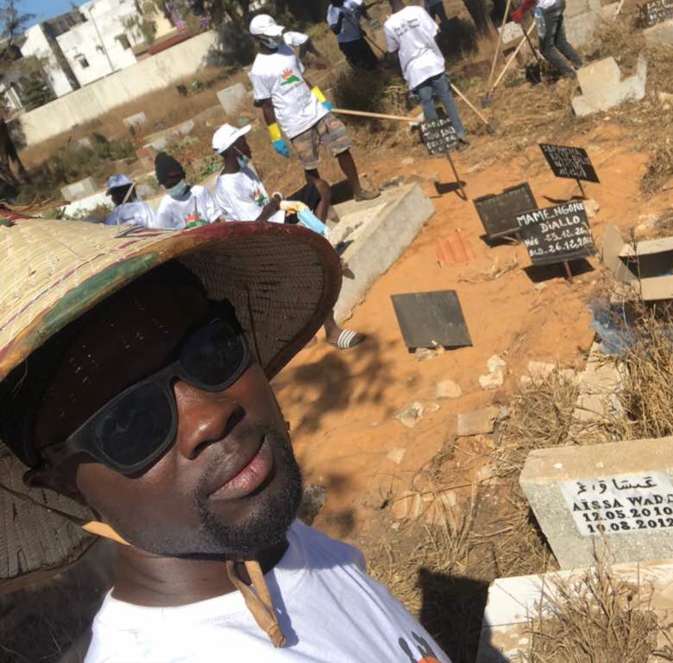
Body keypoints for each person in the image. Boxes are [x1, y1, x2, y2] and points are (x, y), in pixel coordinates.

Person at [0, 213, 450, 661]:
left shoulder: (275, 545)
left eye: (211, 350)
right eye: (127, 421)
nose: (208, 419)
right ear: (59, 482)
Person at [211, 123, 366, 350]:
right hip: (262, 236)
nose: (247, 144)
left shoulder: (246, 170)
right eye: (242, 142)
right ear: (234, 149)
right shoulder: (227, 185)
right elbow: (255, 222)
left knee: (320, 187)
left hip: (276, 218)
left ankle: (320, 244)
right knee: (310, 268)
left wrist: (277, 202)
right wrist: (275, 200)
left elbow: (266, 205)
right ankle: (331, 331)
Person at [249, 17, 379, 203]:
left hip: (317, 110)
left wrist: (320, 99)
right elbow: (267, 106)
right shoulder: (259, 70)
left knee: (342, 146)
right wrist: (275, 136)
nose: (276, 38)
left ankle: (358, 190)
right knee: (310, 166)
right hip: (296, 123)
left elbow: (301, 78)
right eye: (270, 36)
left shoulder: (286, 50)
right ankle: (322, 203)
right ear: (257, 38)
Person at [382, 0, 467, 146]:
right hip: (433, 63)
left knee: (428, 106)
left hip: (415, 71)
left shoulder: (389, 24)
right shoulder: (418, 11)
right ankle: (459, 134)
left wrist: (393, 62)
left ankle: (442, 142)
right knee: (447, 100)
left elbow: (392, 53)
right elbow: (435, 33)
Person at [155, 152, 221, 229]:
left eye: (175, 184)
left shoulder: (200, 192)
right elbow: (167, 236)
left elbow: (216, 222)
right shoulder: (164, 209)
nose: (173, 188)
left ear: (182, 176)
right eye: (169, 186)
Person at [325, 0, 379, 70]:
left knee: (373, 62)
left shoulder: (346, 4)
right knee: (360, 66)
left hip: (358, 38)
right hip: (348, 43)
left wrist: (360, 29)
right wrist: (339, 19)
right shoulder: (332, 11)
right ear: (335, 1)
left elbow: (355, 16)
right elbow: (336, 31)